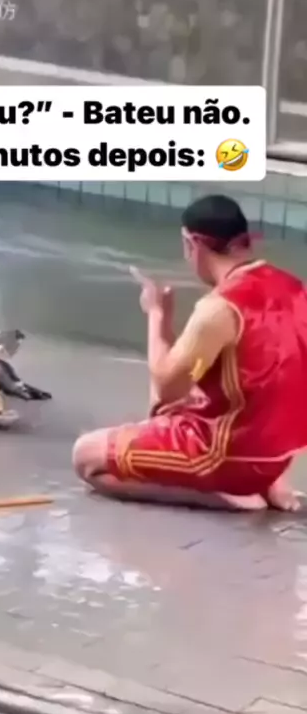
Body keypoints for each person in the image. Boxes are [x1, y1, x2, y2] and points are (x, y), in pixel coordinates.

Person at [72, 194, 307, 511]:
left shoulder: (220, 307)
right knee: (189, 397)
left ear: (191, 243)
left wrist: (158, 315)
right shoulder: (295, 287)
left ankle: (227, 496)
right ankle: (268, 483)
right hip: (277, 455)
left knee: (86, 457)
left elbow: (167, 389)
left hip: (228, 457)